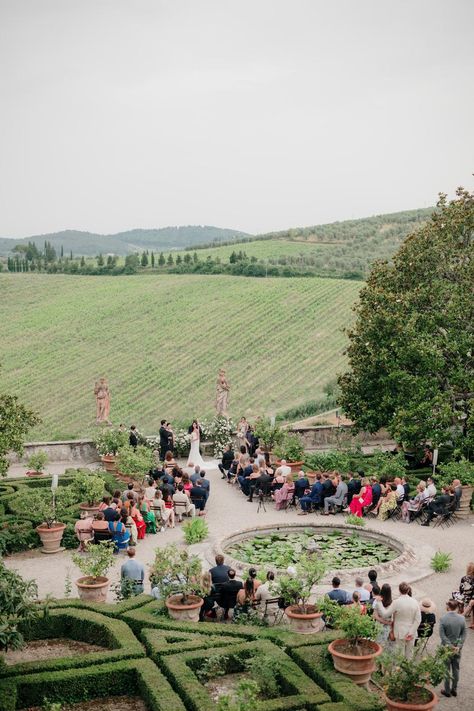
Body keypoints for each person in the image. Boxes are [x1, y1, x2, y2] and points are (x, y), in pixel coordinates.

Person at [439, 599, 467, 698]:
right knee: (456, 669)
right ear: (456, 607)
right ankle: (454, 689)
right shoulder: (462, 619)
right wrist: (458, 646)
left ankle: (447, 690)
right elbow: (463, 634)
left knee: (446, 669)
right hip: (457, 649)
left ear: (448, 607)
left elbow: (442, 636)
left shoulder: (443, 619)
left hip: (446, 648)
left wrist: (450, 646)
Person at [388, 582, 421, 657]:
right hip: (411, 631)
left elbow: (390, 616)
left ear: (399, 590)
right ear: (408, 590)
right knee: (410, 653)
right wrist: (411, 632)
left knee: (399, 653)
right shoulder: (415, 602)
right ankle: (407, 668)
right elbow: (418, 620)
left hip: (399, 631)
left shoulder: (396, 602)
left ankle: (399, 668)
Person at [452, 561, 474, 625]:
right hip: (471, 598)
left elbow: (461, 589)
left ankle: (461, 607)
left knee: (454, 592)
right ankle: (464, 610)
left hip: (464, 597)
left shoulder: (464, 578)